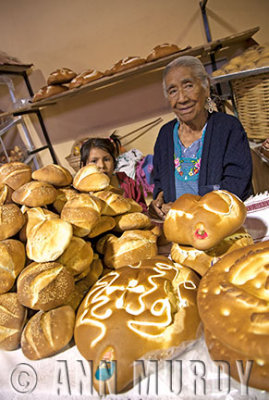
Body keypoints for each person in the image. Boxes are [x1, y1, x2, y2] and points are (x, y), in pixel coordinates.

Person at [149, 55, 253, 220]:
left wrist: (185, 209)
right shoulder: (165, 135)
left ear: (206, 87)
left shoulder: (228, 128)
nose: (182, 98)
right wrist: (158, 201)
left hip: (224, 225)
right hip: (181, 230)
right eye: (173, 91)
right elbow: (160, 183)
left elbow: (236, 187)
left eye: (188, 85)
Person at [80, 134, 148, 212]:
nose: (101, 165)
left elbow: (142, 209)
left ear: (114, 161)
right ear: (84, 165)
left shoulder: (128, 183)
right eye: (94, 161)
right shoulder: (81, 193)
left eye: (106, 159)